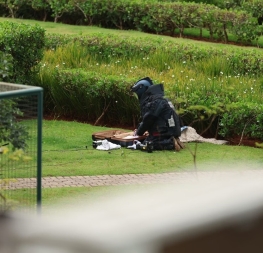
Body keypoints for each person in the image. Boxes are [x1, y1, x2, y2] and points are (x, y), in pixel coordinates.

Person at [130, 77, 184, 151]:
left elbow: (149, 119)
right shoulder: (160, 98)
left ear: (141, 90)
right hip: (171, 131)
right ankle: (173, 140)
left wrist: (139, 132)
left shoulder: (155, 101)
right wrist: (139, 128)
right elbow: (148, 118)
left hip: (165, 133)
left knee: (148, 143)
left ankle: (170, 143)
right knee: (145, 140)